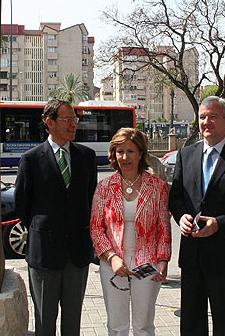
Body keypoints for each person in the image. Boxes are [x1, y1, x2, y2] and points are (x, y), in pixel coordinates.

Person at [169, 96, 225, 335]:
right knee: (191, 322)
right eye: (202, 117)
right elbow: (175, 198)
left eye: (213, 116)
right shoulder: (185, 155)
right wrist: (181, 217)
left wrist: (220, 224)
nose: (206, 122)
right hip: (192, 256)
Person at [14, 99, 98, 336]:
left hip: (77, 254)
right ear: (49, 123)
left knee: (73, 323)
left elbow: (89, 200)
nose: (74, 125)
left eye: (75, 119)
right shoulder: (30, 160)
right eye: (67, 120)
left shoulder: (86, 157)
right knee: (45, 323)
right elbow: (22, 206)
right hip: (44, 255)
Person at [90, 127, 171, 335]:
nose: (124, 157)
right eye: (119, 151)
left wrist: (163, 260)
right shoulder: (105, 187)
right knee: (117, 326)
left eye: (131, 151)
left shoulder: (157, 187)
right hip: (113, 264)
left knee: (143, 325)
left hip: (147, 262)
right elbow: (96, 228)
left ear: (141, 154)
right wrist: (112, 257)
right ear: (113, 154)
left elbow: (164, 227)